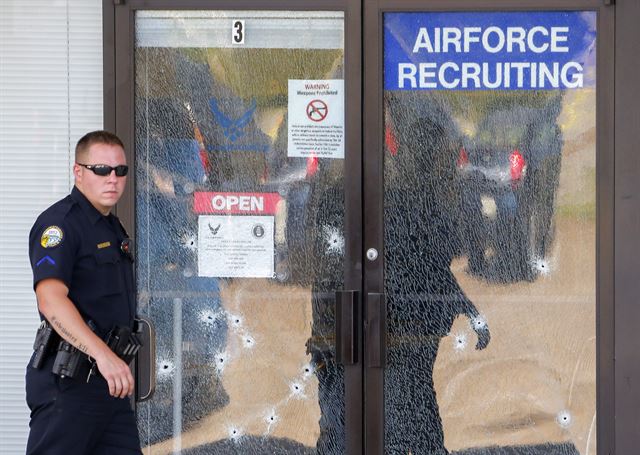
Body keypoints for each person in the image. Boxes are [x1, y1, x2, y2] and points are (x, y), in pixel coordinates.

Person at [25, 131, 142, 454]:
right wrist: (104, 356)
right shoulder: (60, 225)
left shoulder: (110, 227)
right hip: (69, 385)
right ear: (78, 172)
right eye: (101, 170)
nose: (112, 179)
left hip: (108, 386)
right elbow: (50, 299)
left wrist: (110, 362)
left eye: (120, 171)